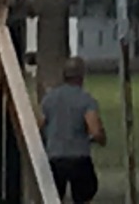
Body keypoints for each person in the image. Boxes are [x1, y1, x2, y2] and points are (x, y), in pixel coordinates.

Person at [39, 56, 105, 204]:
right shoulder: (86, 100)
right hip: (79, 158)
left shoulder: (49, 99)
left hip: (55, 158)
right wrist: (101, 138)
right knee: (83, 197)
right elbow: (95, 131)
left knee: (54, 198)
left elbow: (39, 125)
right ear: (81, 76)